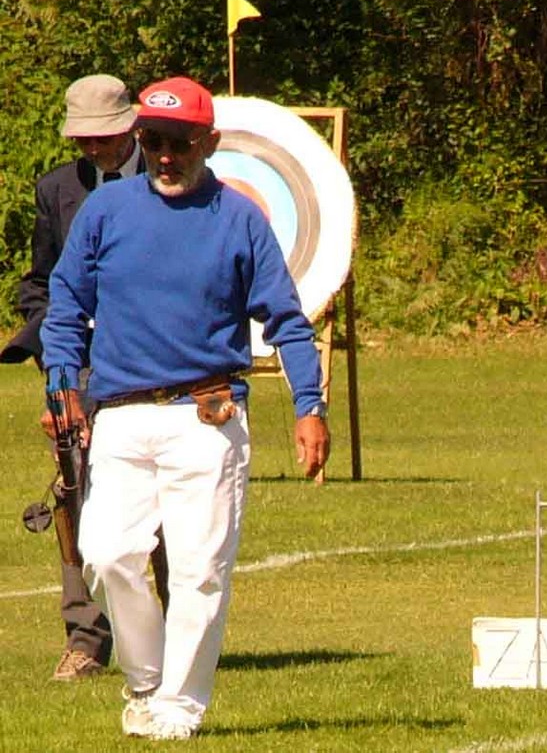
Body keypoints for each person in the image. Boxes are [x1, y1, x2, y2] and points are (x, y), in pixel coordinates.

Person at [40, 75, 330, 741]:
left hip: (209, 415)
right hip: (119, 415)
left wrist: (309, 406)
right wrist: (64, 382)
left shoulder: (240, 217)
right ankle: (146, 683)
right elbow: (66, 306)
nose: (166, 155)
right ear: (140, 140)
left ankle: (179, 707)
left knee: (200, 570)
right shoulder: (106, 213)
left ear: (211, 143)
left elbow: (285, 319)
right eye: (154, 141)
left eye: (181, 143)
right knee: (107, 552)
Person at [0, 73, 169, 681]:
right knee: (73, 497)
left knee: (165, 495)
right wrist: (58, 368)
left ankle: (173, 632)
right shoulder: (57, 190)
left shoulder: (169, 182)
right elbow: (39, 284)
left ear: (132, 129)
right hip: (77, 367)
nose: (93, 151)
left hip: (154, 365)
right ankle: (85, 638)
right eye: (84, 142)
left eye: (105, 140)